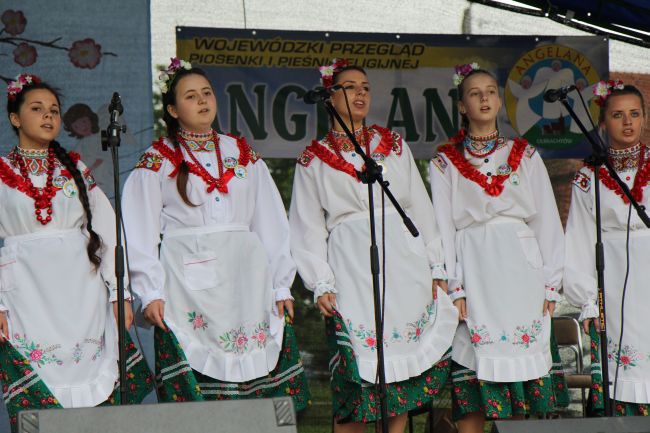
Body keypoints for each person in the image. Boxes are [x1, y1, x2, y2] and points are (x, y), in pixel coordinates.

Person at [121, 58, 309, 409]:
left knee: (257, 390)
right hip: (189, 285)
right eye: (191, 96)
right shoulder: (157, 160)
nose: (203, 100)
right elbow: (137, 231)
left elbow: (270, 220)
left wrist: (281, 283)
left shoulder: (241, 153)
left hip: (247, 283)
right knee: (200, 395)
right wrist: (149, 291)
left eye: (207, 92)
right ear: (174, 110)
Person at [290, 58, 458, 433]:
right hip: (350, 266)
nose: (360, 93)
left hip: (403, 264)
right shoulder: (312, 159)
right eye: (349, 87)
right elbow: (307, 228)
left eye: (365, 87)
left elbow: (419, 207)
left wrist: (436, 267)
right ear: (329, 96)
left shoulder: (393, 144)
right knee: (355, 377)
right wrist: (321, 282)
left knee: (397, 376)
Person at [0, 74, 151, 431]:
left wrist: (119, 294)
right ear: (15, 118)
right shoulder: (2, 173)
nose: (48, 116)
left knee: (96, 397)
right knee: (41, 400)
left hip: (83, 296)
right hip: (27, 297)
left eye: (54, 110)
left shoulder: (76, 171)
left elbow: (110, 231)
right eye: (37, 109)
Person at [429, 63, 567, 433]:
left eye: (490, 91)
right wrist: (453, 286)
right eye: (475, 93)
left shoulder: (526, 154)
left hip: (521, 270)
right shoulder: (444, 162)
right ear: (462, 106)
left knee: (518, 385)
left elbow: (547, 222)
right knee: (474, 379)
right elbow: (441, 225)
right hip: (474, 267)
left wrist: (551, 282)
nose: (485, 98)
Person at [564, 81, 650, 416]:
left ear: (643, 119)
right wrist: (589, 302)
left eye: (634, 113)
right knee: (622, 373)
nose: (627, 122)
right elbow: (578, 243)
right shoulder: (589, 176)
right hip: (612, 286)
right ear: (603, 123)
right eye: (618, 115)